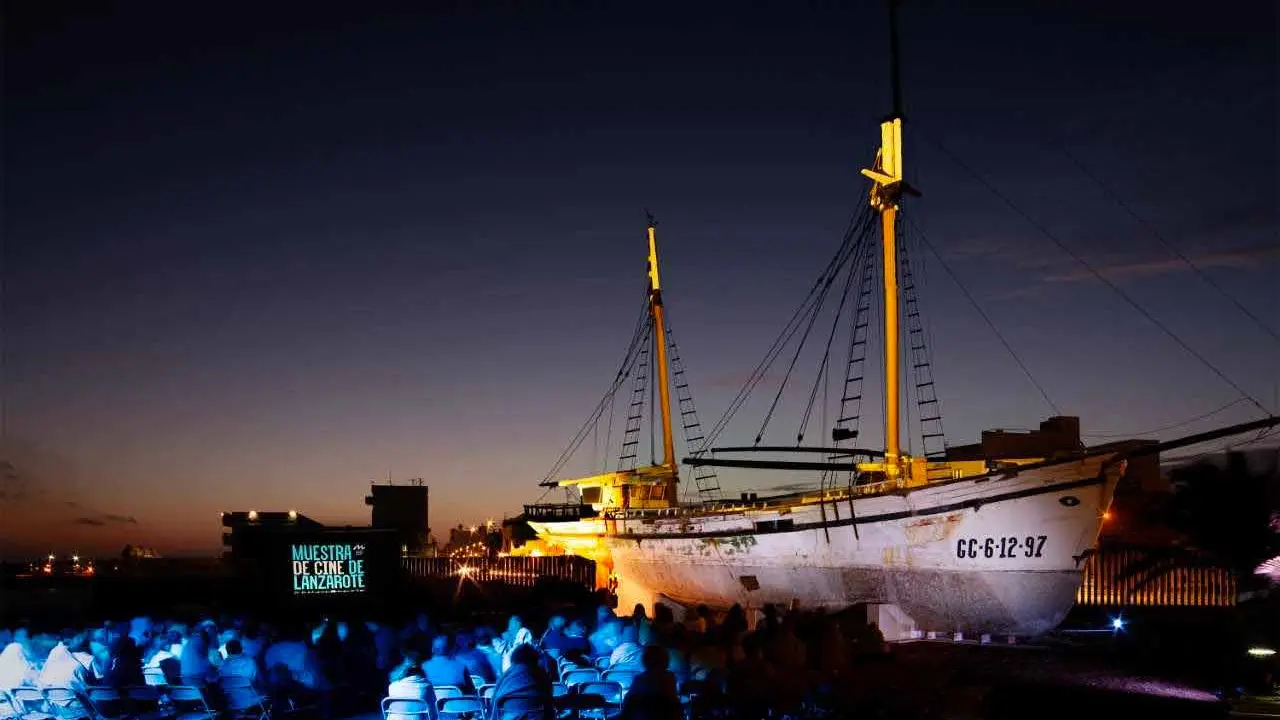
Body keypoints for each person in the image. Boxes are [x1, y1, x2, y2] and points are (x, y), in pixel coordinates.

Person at [490, 644, 552, 720]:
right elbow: (549, 701)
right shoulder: (541, 673)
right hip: (537, 715)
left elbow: (494, 702)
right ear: (535, 660)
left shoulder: (505, 676)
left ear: (513, 660)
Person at [620, 645, 681, 720]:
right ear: (666, 660)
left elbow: (628, 702)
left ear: (645, 660)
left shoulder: (639, 679)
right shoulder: (670, 678)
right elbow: (674, 703)